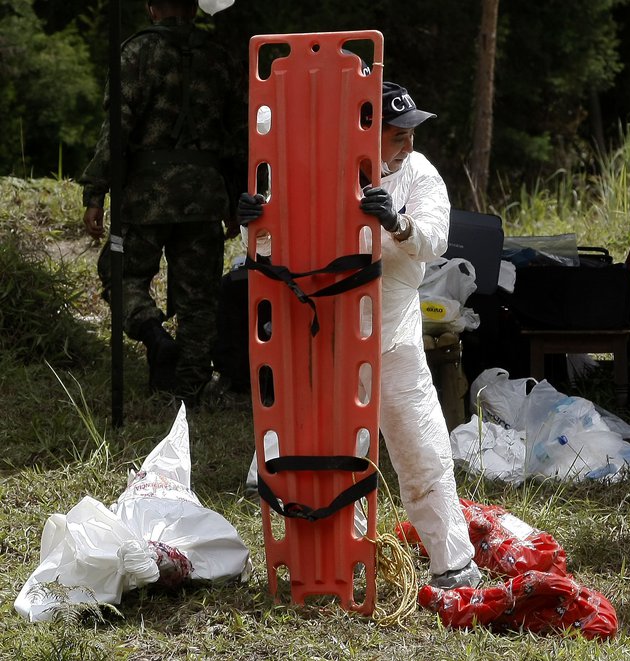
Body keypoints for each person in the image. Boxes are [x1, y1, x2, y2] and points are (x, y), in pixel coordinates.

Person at [238, 81, 482, 590]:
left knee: (422, 451)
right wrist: (254, 221)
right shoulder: (316, 171)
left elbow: (434, 240)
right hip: (325, 340)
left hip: (392, 338)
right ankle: (336, 565)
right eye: (396, 135)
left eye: (411, 133)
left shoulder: (419, 175)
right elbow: (273, 250)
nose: (408, 144)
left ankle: (453, 563)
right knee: (331, 456)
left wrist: (397, 223)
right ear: (366, 134)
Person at [80, 0, 245, 402]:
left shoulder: (136, 51)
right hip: (205, 194)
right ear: (195, 7)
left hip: (147, 194)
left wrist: (95, 191)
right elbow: (240, 135)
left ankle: (154, 335)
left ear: (152, 8)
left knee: (119, 273)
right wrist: (237, 197)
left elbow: (116, 127)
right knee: (200, 296)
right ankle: (188, 388)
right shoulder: (219, 56)